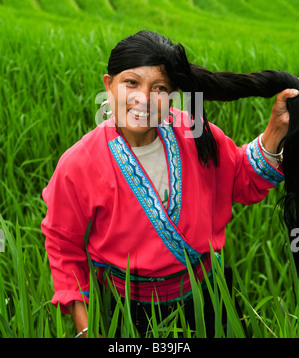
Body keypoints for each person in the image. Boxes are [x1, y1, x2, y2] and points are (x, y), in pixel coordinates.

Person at [41, 30, 299, 338]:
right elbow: (64, 249)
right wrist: (87, 331)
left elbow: (241, 180)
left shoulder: (193, 133)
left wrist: (277, 127)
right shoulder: (78, 164)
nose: (144, 99)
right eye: (131, 83)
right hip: (126, 310)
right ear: (108, 85)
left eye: (159, 87)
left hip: (207, 297)